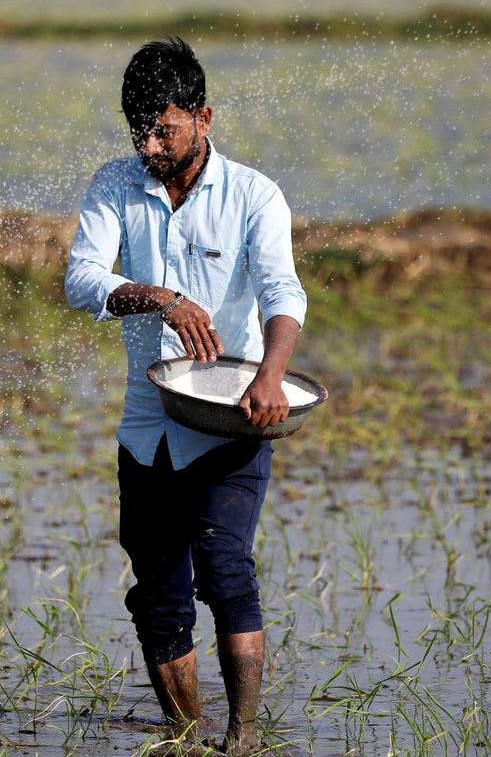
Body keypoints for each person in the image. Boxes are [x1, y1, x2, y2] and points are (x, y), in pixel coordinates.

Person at [64, 37, 307, 755]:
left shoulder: (254, 195)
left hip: (232, 412)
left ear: (204, 117)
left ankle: (244, 737)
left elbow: (282, 292)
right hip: (149, 422)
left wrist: (271, 375)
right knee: (159, 592)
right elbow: (82, 281)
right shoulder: (116, 184)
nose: (150, 145)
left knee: (225, 566)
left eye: (164, 129)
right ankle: (184, 736)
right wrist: (159, 297)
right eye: (138, 129)